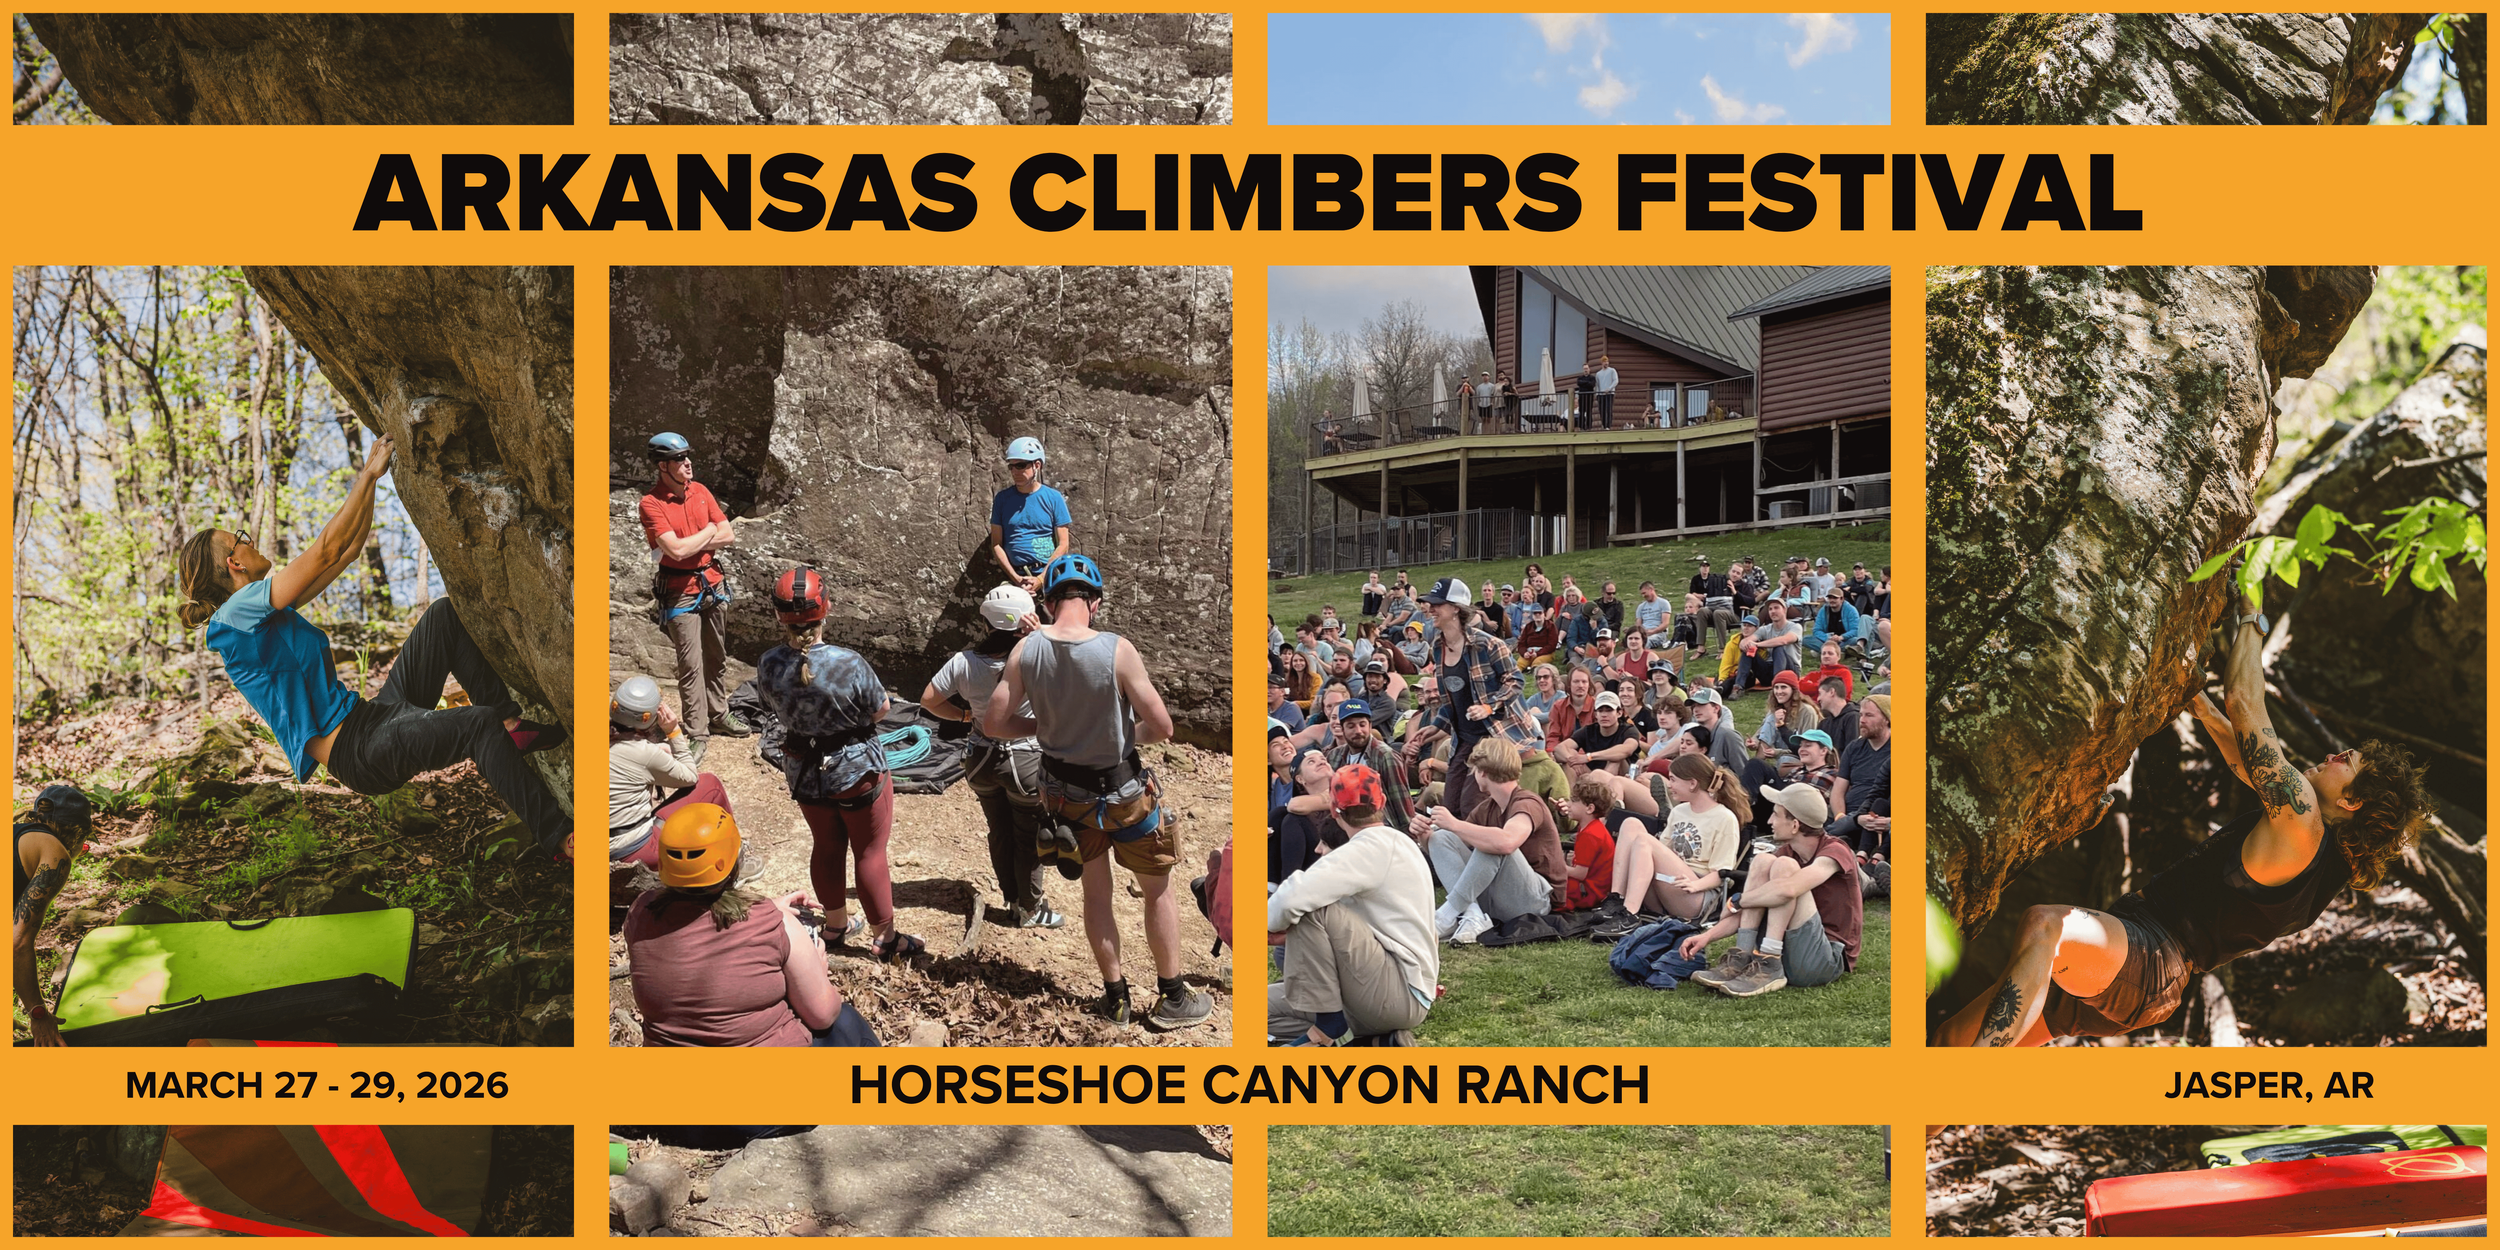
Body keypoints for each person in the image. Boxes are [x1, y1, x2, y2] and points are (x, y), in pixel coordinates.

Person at [1937, 590, 2433, 1046]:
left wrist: (2251, 618)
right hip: (2137, 972)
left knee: (2048, 924)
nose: (2335, 755)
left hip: (2147, 960)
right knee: (1942, 1047)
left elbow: (2246, 703)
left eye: (2348, 762)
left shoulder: (2303, 818)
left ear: (2352, 802)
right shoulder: (2314, 855)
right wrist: (2194, 699)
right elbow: (2247, 759)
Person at [177, 437, 571, 858]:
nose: (249, 539)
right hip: (360, 750)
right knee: (477, 724)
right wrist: (367, 474)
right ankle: (561, 838)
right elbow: (325, 548)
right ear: (233, 563)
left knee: (443, 618)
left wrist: (374, 485)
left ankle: (511, 728)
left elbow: (344, 553)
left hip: (373, 717)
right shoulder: (236, 614)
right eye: (240, 539)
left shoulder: (258, 614)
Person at [988, 553, 1211, 1029]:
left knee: (1096, 895)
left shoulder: (1026, 649)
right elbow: (1163, 726)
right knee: (1157, 893)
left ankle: (1116, 998)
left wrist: (1045, 724)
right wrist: (1123, 735)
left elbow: (995, 722)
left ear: (1047, 603)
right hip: (1124, 793)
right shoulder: (1117, 649)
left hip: (1066, 799)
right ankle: (1171, 995)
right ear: (1095, 602)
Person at [754, 567, 920, 961]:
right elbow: (880, 709)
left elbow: (768, 706)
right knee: (869, 851)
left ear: (779, 616)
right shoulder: (849, 663)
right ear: (825, 608)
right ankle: (885, 938)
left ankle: (835, 925)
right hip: (855, 766)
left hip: (803, 767)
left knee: (826, 846)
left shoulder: (769, 663)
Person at [623, 804, 879, 1047]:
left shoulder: (640, 913)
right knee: (846, 1020)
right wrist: (819, 971)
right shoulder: (773, 924)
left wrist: (768, 907)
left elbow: (699, 921)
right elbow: (822, 1015)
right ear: (733, 862)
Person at [1267, 764, 1438, 1046]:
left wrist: (1268, 925)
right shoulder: (1398, 842)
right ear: (1381, 802)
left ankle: (1329, 1027)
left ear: (1335, 811)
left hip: (1397, 992)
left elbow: (1291, 899)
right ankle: (1373, 1044)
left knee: (1312, 909)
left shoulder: (1369, 847)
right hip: (1392, 987)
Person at [923, 584, 1062, 929]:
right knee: (1026, 835)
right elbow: (1076, 656)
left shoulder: (963, 662)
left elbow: (928, 700)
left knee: (998, 831)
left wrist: (966, 716)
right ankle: (1029, 909)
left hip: (981, 758)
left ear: (987, 624)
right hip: (1026, 761)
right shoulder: (1037, 659)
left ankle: (1012, 898)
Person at [1682, 782, 1862, 998]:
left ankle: (1769, 960)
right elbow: (1756, 902)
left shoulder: (1835, 851)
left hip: (1824, 959)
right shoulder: (1785, 853)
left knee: (1784, 869)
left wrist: (1738, 901)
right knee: (1763, 861)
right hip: (1790, 949)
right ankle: (1742, 956)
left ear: (1795, 825)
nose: (1769, 821)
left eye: (1776, 815)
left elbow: (1787, 890)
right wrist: (1707, 937)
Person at [639, 431, 746, 762]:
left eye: (688, 457)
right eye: (679, 460)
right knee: (690, 664)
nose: (687, 464)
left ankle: (719, 714)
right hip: (679, 591)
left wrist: (702, 539)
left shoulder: (700, 492)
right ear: (663, 467)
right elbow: (676, 549)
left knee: (716, 656)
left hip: (711, 584)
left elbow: (728, 535)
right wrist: (710, 532)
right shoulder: (651, 504)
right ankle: (698, 732)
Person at [1411, 736, 1565, 943]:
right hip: (1500, 896)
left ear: (1482, 772)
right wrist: (1424, 836)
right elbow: (1454, 852)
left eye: (1474, 770)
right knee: (1442, 837)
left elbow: (1507, 841)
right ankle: (1472, 914)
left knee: (1493, 843)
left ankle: (1449, 912)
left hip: (1536, 901)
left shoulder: (1527, 802)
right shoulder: (1486, 808)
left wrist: (1455, 824)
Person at [1594, 754, 1747, 936]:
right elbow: (1663, 852)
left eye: (1673, 780)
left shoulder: (1724, 818)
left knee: (1644, 841)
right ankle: (1616, 899)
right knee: (1631, 824)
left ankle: (1630, 915)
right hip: (1670, 883)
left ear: (1692, 783)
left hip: (1697, 893)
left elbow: (1723, 874)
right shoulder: (1680, 811)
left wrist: (1696, 885)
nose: (1669, 785)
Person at [609, 674, 730, 868]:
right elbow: (690, 777)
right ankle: (731, 853)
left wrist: (658, 750)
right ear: (650, 717)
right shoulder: (644, 753)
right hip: (637, 850)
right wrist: (673, 731)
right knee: (709, 784)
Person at [12, 785, 87, 1046]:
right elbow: (17, 943)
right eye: (84, 844)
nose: (80, 851)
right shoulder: (55, 853)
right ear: (76, 832)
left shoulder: (14, 835)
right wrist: (38, 1013)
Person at [988, 436, 1072, 593]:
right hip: (1017, 579)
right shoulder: (1002, 499)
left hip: (1049, 578)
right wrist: (1017, 579)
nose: (1014, 471)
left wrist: (1041, 578)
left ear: (1037, 465)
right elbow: (996, 544)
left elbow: (1063, 544)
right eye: (1011, 467)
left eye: (1020, 465)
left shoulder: (1053, 498)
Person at [1327, 698, 1416, 832]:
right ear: (1342, 729)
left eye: (1362, 725)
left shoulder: (1386, 756)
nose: (1358, 731)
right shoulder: (1334, 756)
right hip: (1344, 825)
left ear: (1370, 726)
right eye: (1351, 726)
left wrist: (1408, 835)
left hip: (1380, 827)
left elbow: (1401, 802)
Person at [1828, 695, 1893, 858]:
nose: (1862, 720)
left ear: (1887, 719)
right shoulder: (1854, 748)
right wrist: (1841, 817)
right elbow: (1838, 790)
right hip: (1853, 817)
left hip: (1881, 816)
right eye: (1861, 715)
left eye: (1869, 715)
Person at [1558, 775, 1619, 913]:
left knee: (1552, 879)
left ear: (1589, 808)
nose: (1568, 804)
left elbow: (1580, 874)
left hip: (1590, 892)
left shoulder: (1590, 835)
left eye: (1573, 801)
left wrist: (1556, 866)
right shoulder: (1591, 827)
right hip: (1594, 887)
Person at [1555, 690, 1641, 780]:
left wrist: (1589, 757)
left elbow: (1626, 750)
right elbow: (1559, 749)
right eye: (1600, 711)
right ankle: (1573, 793)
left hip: (1622, 779)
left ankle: (1602, 789)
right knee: (1570, 755)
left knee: (1616, 758)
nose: (1604, 715)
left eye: (1609, 711)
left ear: (1619, 713)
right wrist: (1572, 760)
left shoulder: (1629, 730)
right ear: (1596, 714)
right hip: (1590, 774)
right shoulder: (1589, 730)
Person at [1735, 599, 1804, 692]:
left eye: (1776, 608)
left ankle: (1778, 685)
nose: (1773, 611)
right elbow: (1746, 640)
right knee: (1748, 651)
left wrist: (1757, 644)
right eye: (1770, 609)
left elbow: (1783, 641)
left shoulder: (1795, 627)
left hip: (1790, 671)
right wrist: (1745, 644)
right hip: (1769, 671)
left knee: (1778, 648)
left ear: (1784, 610)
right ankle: (1738, 687)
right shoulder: (1765, 629)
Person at [1690, 557, 1737, 661]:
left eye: (1738, 573)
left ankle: (1722, 649)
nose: (1735, 574)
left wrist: (1734, 591)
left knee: (1718, 613)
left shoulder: (1744, 585)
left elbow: (1750, 602)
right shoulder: (1717, 581)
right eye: (1733, 572)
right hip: (1715, 610)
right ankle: (1701, 647)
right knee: (1702, 611)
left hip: (1734, 615)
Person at [1805, 587, 1863, 654]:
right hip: (1827, 640)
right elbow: (1817, 630)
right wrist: (1828, 638)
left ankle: (1825, 651)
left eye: (1835, 598)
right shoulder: (1823, 610)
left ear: (1842, 599)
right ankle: (1837, 651)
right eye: (1830, 598)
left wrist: (1841, 637)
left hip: (1844, 640)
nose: (1832, 600)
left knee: (1855, 640)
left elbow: (1855, 630)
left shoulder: (1851, 610)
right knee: (1805, 639)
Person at [1816, 676, 1861, 748]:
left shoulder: (1853, 717)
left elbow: (1852, 751)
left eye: (1820, 693)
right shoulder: (1824, 723)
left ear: (1831, 692)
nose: (1818, 699)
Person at [1592, 354, 1619, 429]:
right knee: (1602, 411)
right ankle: (1604, 425)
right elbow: (1597, 385)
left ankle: (1608, 426)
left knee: (1608, 409)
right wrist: (1597, 394)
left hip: (1609, 393)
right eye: (1604, 362)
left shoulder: (1612, 370)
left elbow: (1616, 381)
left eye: (1607, 361)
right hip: (1601, 394)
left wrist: (1609, 388)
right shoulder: (1598, 374)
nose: (1606, 363)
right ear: (1602, 363)